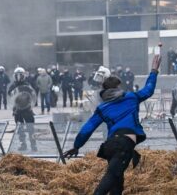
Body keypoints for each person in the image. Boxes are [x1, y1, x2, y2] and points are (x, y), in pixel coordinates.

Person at [63, 55, 162, 195]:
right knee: (110, 178)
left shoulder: (102, 108)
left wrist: (76, 146)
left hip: (110, 145)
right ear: (117, 87)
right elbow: (149, 89)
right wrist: (154, 71)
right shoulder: (131, 97)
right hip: (124, 144)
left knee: (117, 184)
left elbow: (87, 129)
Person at [8, 67, 37, 151]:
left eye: (20, 75)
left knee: (30, 128)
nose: (18, 77)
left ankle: (33, 145)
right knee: (20, 129)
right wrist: (15, 93)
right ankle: (23, 145)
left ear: (23, 76)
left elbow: (32, 94)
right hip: (17, 110)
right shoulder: (13, 85)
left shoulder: (27, 84)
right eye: (17, 75)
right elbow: (9, 94)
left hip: (27, 109)